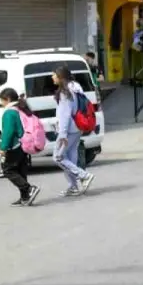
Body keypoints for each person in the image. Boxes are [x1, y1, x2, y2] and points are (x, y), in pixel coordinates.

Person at [51, 65, 95, 197]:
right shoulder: (75, 88)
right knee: (70, 157)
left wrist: (62, 134)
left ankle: (84, 176)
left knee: (58, 157)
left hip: (68, 130)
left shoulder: (65, 93)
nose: (51, 77)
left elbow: (65, 115)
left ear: (60, 77)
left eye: (54, 74)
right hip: (77, 128)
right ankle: (73, 186)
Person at [0, 88, 40, 206]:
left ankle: (28, 189)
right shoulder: (20, 109)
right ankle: (25, 197)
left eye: (2, 101)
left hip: (15, 145)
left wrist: (3, 148)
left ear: (7, 99)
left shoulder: (9, 112)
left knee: (8, 170)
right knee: (21, 170)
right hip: (25, 143)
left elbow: (8, 132)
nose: (1, 104)